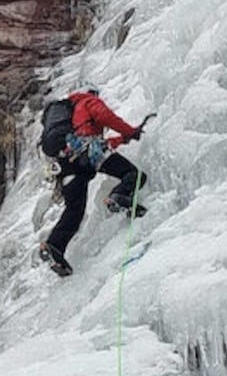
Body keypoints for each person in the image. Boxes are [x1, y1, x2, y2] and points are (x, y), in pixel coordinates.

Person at [36, 90, 147, 278]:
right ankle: (118, 197)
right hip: (88, 153)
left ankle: (54, 246)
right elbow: (105, 118)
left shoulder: (66, 122)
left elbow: (94, 140)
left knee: (74, 210)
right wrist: (130, 131)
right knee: (134, 174)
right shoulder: (87, 101)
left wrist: (122, 139)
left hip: (65, 164)